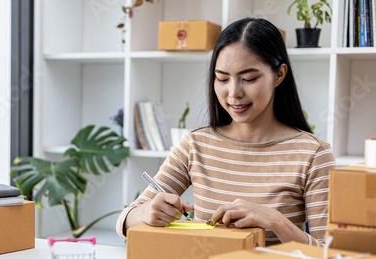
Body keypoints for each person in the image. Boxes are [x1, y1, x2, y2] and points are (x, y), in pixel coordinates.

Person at [116, 18, 336, 246]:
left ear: (279, 75)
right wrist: (145, 214)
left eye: (249, 79)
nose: (233, 93)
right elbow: (124, 221)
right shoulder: (195, 145)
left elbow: (333, 257)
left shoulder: (314, 154)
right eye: (222, 78)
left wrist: (277, 221)